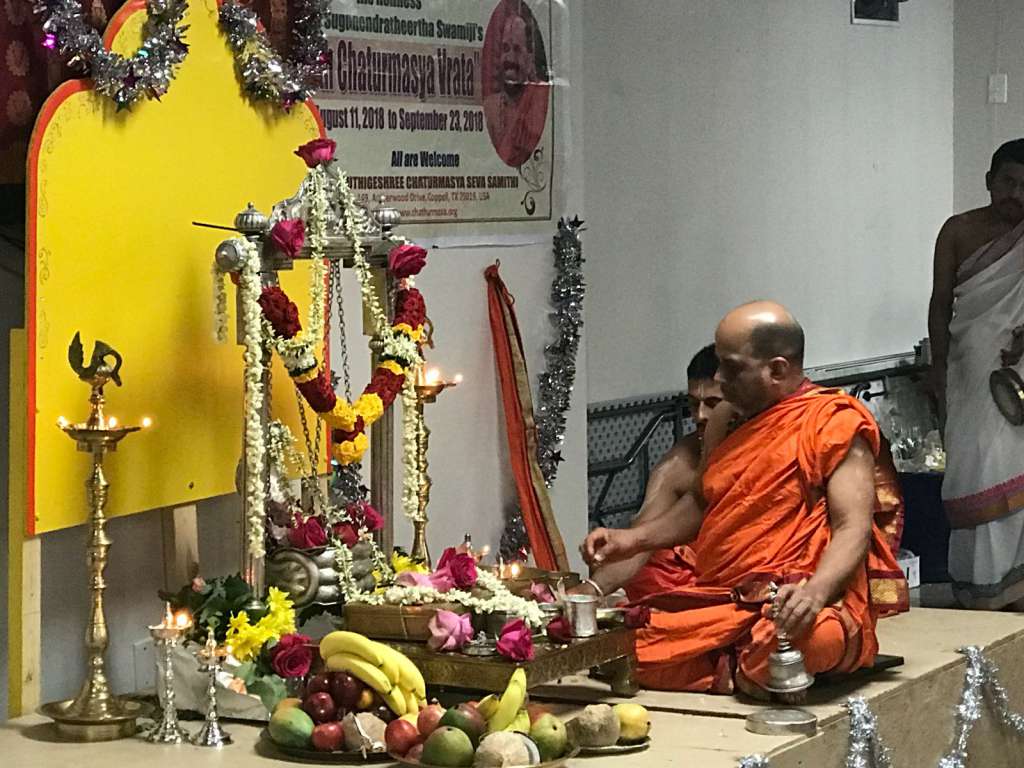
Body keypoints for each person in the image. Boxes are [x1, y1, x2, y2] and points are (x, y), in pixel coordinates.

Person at [582, 302, 906, 697]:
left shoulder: (833, 422)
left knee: (814, 638)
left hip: (799, 598)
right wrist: (631, 539)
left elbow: (851, 526)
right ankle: (740, 666)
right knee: (620, 648)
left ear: (777, 370)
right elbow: (701, 504)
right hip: (725, 598)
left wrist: (814, 593)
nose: (719, 378)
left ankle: (732, 662)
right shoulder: (724, 418)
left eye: (731, 368)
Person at [929, 139, 1024, 610]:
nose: (1016, 195)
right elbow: (940, 303)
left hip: (1017, 371)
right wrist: (938, 368)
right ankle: (979, 586)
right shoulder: (958, 231)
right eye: (1008, 182)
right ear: (989, 181)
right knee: (975, 467)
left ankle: (1015, 587)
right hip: (969, 367)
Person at [482, 6, 550, 168]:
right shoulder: (490, 107)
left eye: (517, 49)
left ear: (530, 57)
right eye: (506, 48)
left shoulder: (542, 101)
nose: (510, 58)